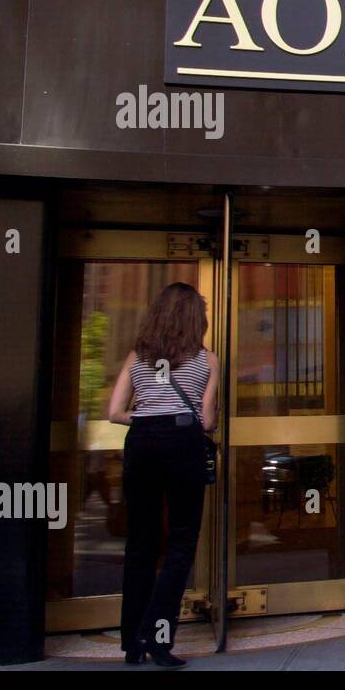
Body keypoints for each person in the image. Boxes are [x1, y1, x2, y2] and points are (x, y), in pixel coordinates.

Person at [107, 282, 219, 668]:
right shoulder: (207, 360)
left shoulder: (137, 357)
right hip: (182, 441)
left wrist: (146, 415)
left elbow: (114, 412)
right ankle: (157, 636)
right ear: (196, 320)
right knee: (181, 543)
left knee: (141, 543)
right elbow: (206, 420)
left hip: (142, 442)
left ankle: (132, 643)